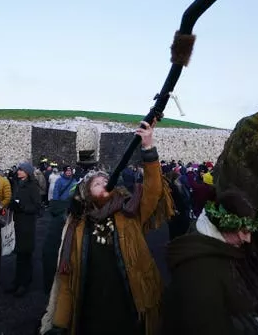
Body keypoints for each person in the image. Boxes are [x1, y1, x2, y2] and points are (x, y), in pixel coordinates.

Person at [41, 121, 174, 335]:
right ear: (86, 194)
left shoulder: (129, 212)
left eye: (106, 180)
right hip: (92, 313)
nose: (104, 183)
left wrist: (148, 149)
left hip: (129, 308)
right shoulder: (77, 225)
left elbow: (153, 191)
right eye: (97, 183)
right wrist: (59, 324)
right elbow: (67, 279)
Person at [162, 188, 258, 335]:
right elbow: (203, 327)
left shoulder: (230, 244)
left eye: (250, 231)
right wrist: (257, 327)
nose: (247, 239)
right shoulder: (197, 269)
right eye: (243, 231)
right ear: (224, 225)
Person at [6, 162, 41, 297]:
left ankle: (24, 283)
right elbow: (16, 200)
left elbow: (37, 207)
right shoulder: (18, 184)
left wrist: (23, 208)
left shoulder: (32, 186)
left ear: (27, 172)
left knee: (25, 254)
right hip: (18, 223)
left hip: (27, 225)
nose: (18, 171)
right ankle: (17, 281)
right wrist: (13, 205)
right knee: (19, 255)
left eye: (21, 170)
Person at [42, 165, 77, 295]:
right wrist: (55, 205)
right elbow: (56, 193)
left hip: (69, 207)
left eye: (70, 171)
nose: (69, 172)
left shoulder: (74, 182)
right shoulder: (60, 181)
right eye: (67, 170)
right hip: (60, 207)